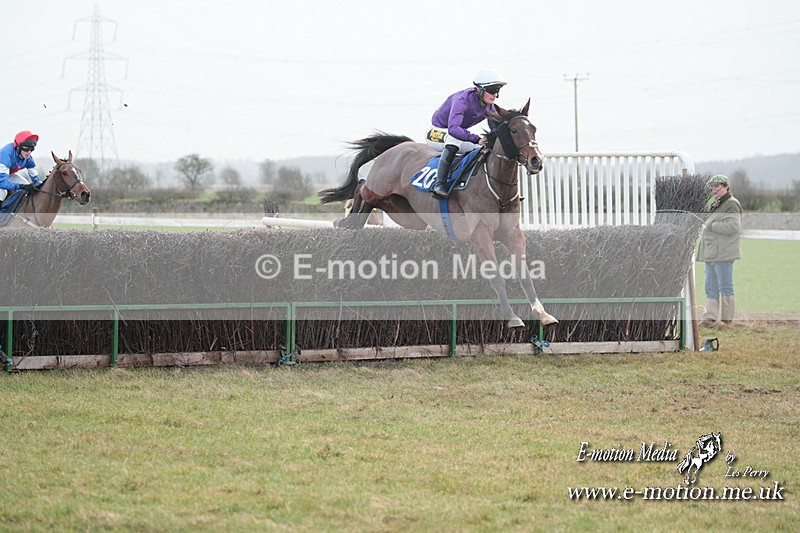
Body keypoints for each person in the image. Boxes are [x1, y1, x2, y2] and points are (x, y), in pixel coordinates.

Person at [427, 69, 506, 199]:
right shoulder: (461, 99)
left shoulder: (489, 106)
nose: (495, 95)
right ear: (479, 89)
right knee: (455, 140)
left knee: (484, 148)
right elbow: (453, 129)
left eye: (497, 91)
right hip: (436, 132)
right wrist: (476, 139)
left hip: (456, 134)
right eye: (492, 90)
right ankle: (439, 184)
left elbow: (495, 132)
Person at [697, 174, 743, 327]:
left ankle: (726, 321)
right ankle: (709, 318)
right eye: (713, 187)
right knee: (710, 286)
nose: (714, 189)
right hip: (712, 252)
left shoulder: (731, 204)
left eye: (717, 186)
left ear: (726, 187)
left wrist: (711, 226)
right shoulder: (717, 204)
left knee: (725, 286)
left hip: (723, 253)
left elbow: (734, 227)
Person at [0, 130, 41, 203]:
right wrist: (20, 186)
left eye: (32, 149)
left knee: (26, 187)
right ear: (18, 147)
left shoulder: (28, 159)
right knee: (2, 193)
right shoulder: (6, 155)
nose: (29, 152)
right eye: (26, 149)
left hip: (6, 174)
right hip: (2, 178)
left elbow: (37, 180)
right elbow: (2, 183)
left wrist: (40, 186)